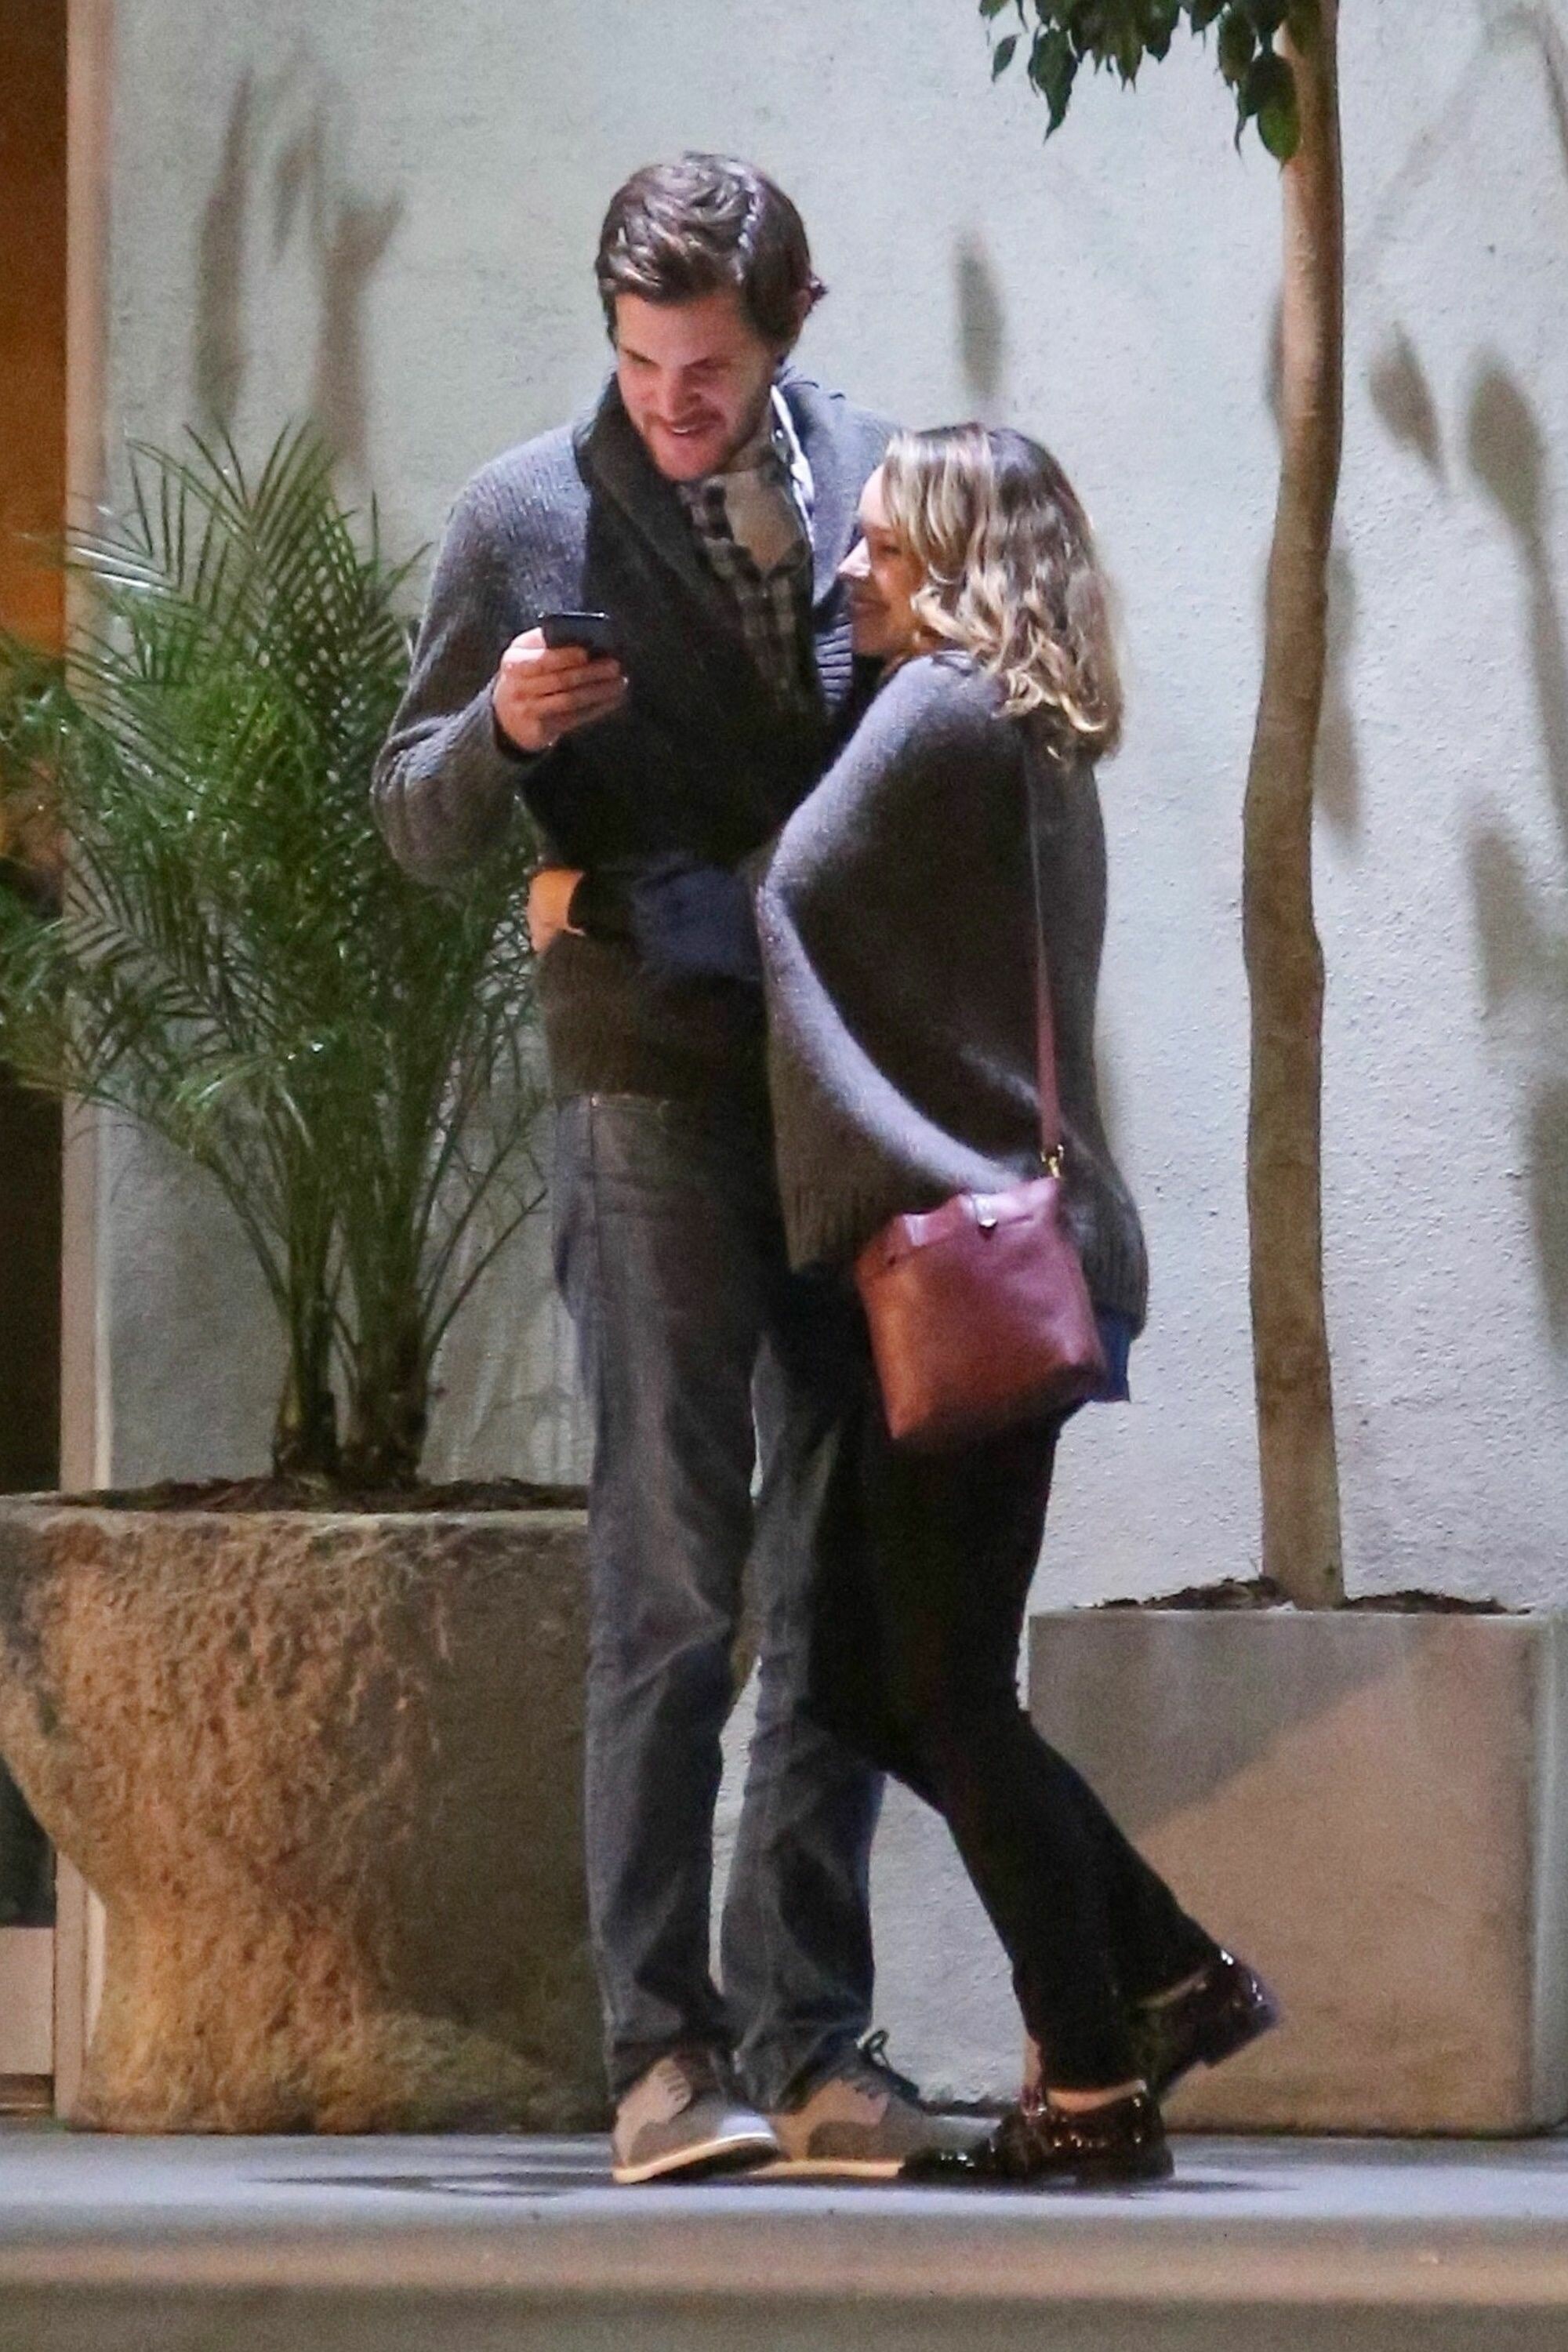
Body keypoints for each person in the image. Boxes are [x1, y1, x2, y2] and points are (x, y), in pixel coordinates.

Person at [372, 154, 972, 2184]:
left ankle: (811, 2044)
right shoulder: (525, 514)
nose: (668, 401)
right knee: (672, 1574)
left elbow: (955, 747)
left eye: (705, 367)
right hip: (647, 1085)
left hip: (850, 1096)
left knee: (838, 1577)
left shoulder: (884, 481)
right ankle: (659, 2055)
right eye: (638, 362)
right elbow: (413, 821)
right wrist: (506, 732)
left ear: (790, 331)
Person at [750, 425, 1279, 2187]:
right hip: (1029, 1248)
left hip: (957, 1258)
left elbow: (790, 891)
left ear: (961, 564)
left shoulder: (937, 708)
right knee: (868, 1673)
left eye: (884, 546)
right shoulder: (1032, 731)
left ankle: (1096, 2086)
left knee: (942, 1688)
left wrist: (871, 1158)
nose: (851, 572)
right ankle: (1164, 1974)